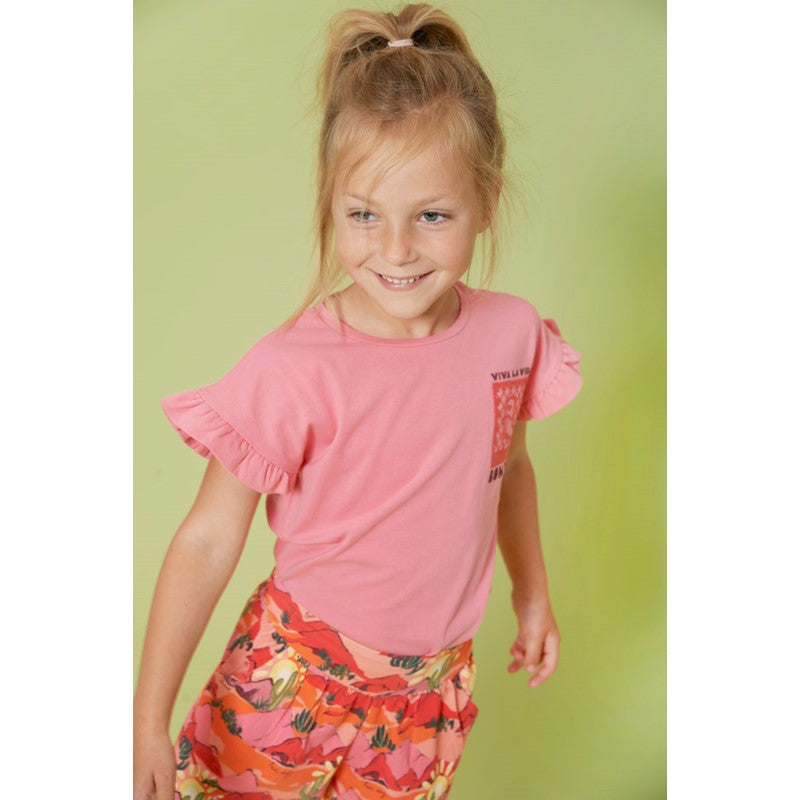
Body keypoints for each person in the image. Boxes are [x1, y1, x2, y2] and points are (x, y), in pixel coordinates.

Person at [133, 3, 584, 799]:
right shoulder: (293, 367)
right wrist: (146, 720)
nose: (396, 249)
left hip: (424, 706)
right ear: (331, 204)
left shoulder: (511, 335)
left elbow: (509, 469)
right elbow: (206, 539)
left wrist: (533, 592)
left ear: (485, 200)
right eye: (364, 215)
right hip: (290, 690)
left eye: (432, 215)